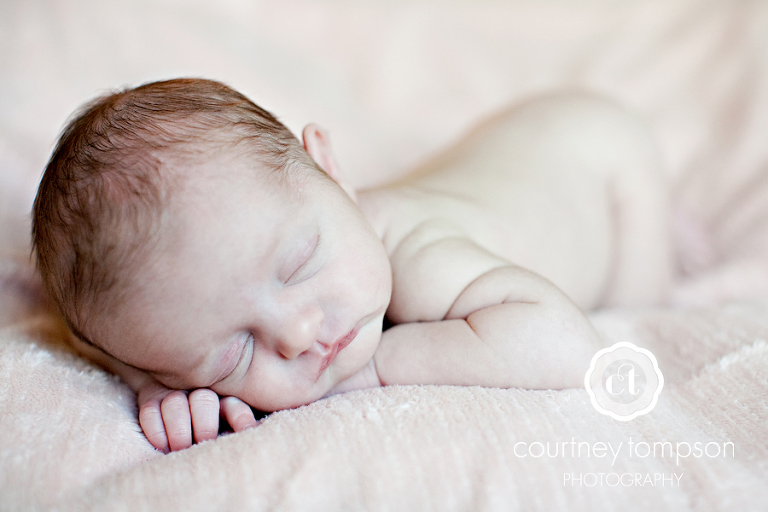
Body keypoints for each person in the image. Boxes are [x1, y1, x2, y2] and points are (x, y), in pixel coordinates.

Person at [32, 78, 672, 453]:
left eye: (298, 264)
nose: (299, 335)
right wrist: (150, 381)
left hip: (602, 157)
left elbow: (565, 345)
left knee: (643, 305)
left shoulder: (419, 256)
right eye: (231, 355)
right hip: (522, 152)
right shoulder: (214, 289)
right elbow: (91, 329)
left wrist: (371, 370)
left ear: (330, 169)